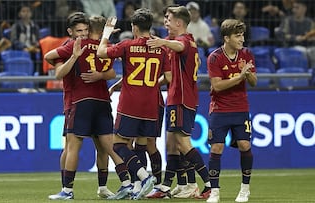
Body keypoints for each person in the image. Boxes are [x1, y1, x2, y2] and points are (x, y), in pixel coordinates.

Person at [45, 12, 120, 200]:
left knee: (101, 148)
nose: (83, 34)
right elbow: (58, 72)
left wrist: (100, 75)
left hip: (96, 101)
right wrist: (73, 57)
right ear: (70, 31)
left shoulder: (96, 46)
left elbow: (111, 73)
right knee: (70, 146)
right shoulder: (68, 47)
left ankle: (101, 187)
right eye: (79, 31)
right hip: (74, 102)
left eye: (86, 30)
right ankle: (66, 188)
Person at [97, 8, 169, 200]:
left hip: (130, 103)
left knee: (118, 144)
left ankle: (144, 177)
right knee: (142, 145)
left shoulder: (127, 45)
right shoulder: (161, 48)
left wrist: (106, 33)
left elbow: (101, 53)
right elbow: (168, 76)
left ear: (134, 27)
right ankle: (138, 186)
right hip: (152, 103)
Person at [145, 6, 211, 199]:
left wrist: (161, 42)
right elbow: (171, 75)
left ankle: (209, 185)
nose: (165, 21)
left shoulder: (185, 41)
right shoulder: (176, 43)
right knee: (171, 144)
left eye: (168, 18)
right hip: (176, 97)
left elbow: (180, 46)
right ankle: (168, 186)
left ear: (179, 23)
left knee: (182, 143)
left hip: (182, 98)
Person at [205, 19, 257, 203]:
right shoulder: (214, 57)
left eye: (242, 35)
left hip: (241, 108)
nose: (242, 39)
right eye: (237, 35)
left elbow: (253, 82)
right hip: (219, 109)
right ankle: (215, 191)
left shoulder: (247, 54)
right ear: (226, 38)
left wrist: (248, 74)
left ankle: (245, 189)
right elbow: (217, 86)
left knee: (245, 145)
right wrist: (240, 76)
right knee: (217, 147)